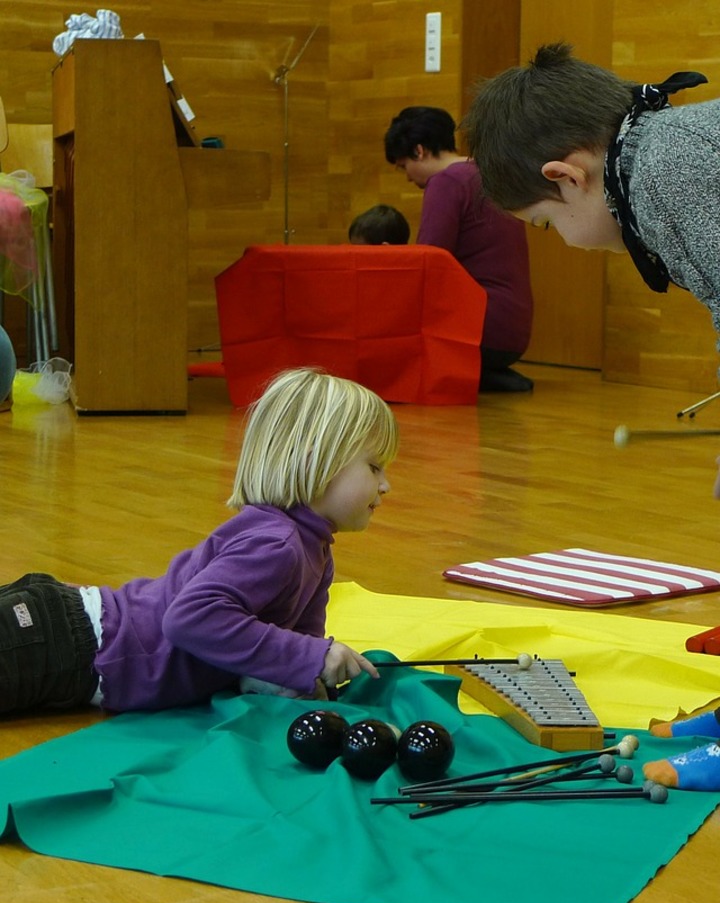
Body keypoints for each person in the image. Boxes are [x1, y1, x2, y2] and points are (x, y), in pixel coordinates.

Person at [465, 43, 720, 790]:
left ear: (566, 177)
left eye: (545, 224)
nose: (560, 241)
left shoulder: (669, 173)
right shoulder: (663, 158)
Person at [0, 367, 398, 715]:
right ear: (316, 461)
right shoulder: (278, 544)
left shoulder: (314, 549)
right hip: (67, 643)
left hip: (73, 636)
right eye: (374, 466)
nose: (385, 485)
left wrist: (305, 672)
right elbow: (191, 617)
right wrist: (312, 656)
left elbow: (290, 645)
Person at [463, 42, 720, 342]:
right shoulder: (661, 148)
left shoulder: (662, 170)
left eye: (546, 222)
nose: (566, 240)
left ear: (567, 177)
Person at [384, 105, 534, 393]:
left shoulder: (447, 182)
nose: (406, 177)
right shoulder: (487, 174)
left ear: (419, 151)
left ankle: (470, 371)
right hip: (512, 329)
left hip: (481, 330)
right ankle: (486, 374)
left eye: (404, 166)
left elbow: (428, 259)